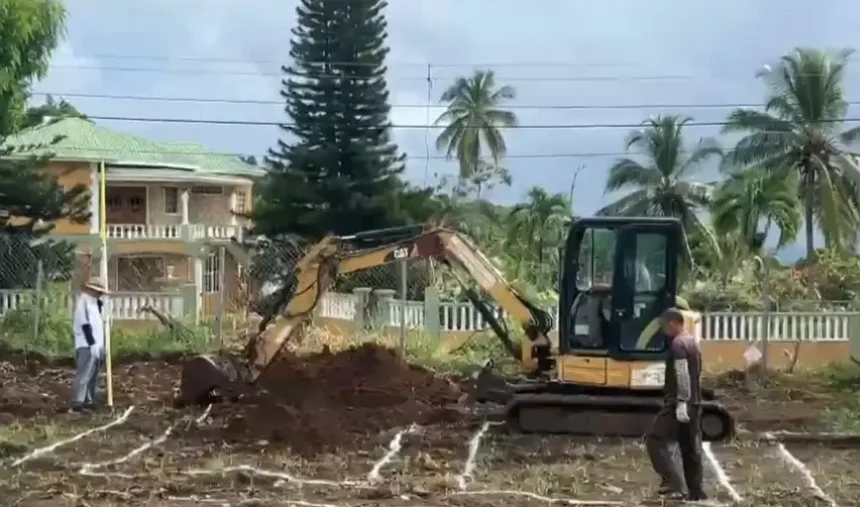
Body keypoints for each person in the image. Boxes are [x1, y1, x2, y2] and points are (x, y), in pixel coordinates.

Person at [645, 307, 707, 501]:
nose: (663, 330)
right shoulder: (692, 342)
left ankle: (673, 482)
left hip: (678, 404)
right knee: (690, 449)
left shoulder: (678, 344)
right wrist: (691, 400)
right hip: (695, 403)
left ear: (673, 323)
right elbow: (698, 372)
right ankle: (696, 492)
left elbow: (682, 374)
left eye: (664, 325)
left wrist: (681, 401)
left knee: (654, 439)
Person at [70, 276, 109, 414]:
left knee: (94, 373)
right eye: (98, 291)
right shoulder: (83, 302)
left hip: (97, 343)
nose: (100, 294)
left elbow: (99, 323)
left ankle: (89, 399)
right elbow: (84, 324)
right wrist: (91, 342)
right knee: (85, 372)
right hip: (87, 343)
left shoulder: (95, 303)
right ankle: (78, 401)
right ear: (91, 290)